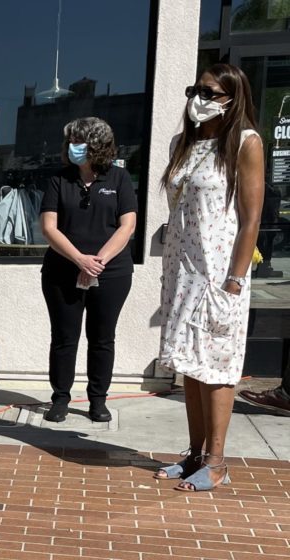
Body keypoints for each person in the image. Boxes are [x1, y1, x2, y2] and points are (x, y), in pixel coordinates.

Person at [156, 63, 263, 491]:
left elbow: (251, 218)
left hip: (221, 275)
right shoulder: (183, 144)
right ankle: (195, 454)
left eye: (210, 92)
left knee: (217, 367)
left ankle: (216, 463)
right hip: (184, 273)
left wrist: (235, 280)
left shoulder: (245, 143)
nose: (198, 98)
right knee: (191, 367)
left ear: (232, 98)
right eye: (195, 89)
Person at [39, 117, 137, 424]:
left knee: (102, 337)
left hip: (111, 273)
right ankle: (61, 398)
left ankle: (98, 400)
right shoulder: (59, 179)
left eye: (78, 142)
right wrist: (80, 260)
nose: (72, 148)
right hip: (62, 271)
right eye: (70, 142)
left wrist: (98, 262)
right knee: (64, 337)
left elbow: (127, 225)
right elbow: (48, 227)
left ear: (96, 145)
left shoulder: (119, 178)